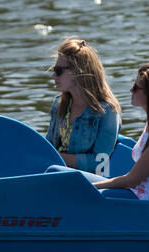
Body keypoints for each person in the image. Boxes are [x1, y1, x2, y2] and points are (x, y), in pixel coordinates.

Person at [92, 61, 149, 200]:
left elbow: (132, 180)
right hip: (135, 193)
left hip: (144, 201)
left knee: (71, 184)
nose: (131, 89)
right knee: (59, 173)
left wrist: (91, 186)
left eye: (136, 87)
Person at [46, 38, 121, 173]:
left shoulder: (107, 111)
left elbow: (99, 163)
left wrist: (56, 158)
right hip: (59, 174)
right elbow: (48, 146)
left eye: (58, 71)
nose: (53, 76)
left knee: (53, 170)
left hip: (92, 181)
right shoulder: (58, 105)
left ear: (77, 72)